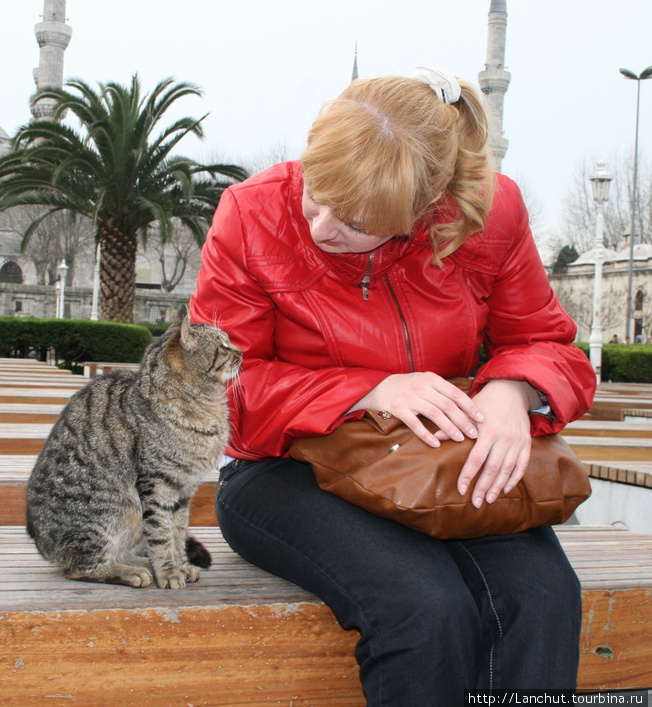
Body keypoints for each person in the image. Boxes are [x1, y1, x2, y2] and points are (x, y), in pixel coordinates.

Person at [189, 68, 596, 705]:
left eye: (354, 221)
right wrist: (369, 390)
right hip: (284, 468)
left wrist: (513, 391)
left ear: (425, 209)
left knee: (543, 601)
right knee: (423, 610)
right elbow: (214, 392)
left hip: (440, 463)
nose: (322, 227)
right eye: (314, 197)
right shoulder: (252, 213)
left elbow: (546, 343)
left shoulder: (492, 211)